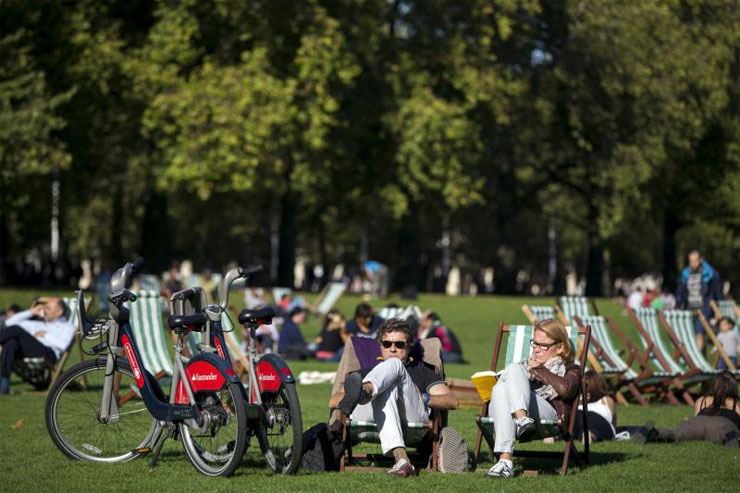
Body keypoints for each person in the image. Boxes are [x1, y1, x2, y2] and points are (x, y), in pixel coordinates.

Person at [331, 318, 458, 477]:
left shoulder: (423, 372)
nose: (392, 349)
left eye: (399, 344)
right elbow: (334, 401)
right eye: (387, 344)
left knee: (394, 366)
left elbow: (452, 402)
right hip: (368, 415)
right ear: (380, 346)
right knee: (387, 384)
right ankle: (402, 461)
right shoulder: (365, 372)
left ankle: (367, 390)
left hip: (412, 418)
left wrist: (424, 398)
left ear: (409, 346)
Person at [485, 318, 580, 479]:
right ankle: (521, 420)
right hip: (508, 413)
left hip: (548, 413)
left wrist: (539, 370)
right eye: (534, 343)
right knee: (506, 380)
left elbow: (566, 389)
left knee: (506, 381)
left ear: (560, 347)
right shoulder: (523, 366)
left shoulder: (571, 369)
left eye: (543, 345)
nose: (536, 349)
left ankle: (506, 461)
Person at [632, 371, 739, 446]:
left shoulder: (702, 400)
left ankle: (654, 433)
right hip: (723, 424)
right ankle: (730, 437)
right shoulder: (736, 403)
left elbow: (697, 415)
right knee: (724, 434)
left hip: (698, 422)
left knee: (675, 434)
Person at [0, 297, 75, 394]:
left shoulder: (68, 327)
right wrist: (31, 312)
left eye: (48, 308)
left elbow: (64, 345)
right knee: (11, 343)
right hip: (31, 352)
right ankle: (4, 385)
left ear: (59, 312)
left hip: (49, 354)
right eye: (45, 308)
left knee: (18, 330)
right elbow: (9, 323)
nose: (45, 311)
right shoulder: (38, 324)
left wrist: (46, 335)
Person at [676, 250, 723, 353]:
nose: (693, 264)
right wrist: (678, 305)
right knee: (692, 334)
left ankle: (696, 358)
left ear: (700, 260)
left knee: (700, 333)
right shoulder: (686, 274)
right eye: (691, 261)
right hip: (690, 308)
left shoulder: (709, 274)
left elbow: (717, 291)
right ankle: (701, 356)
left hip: (704, 308)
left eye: (695, 261)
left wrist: (717, 308)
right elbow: (681, 292)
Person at [574, 371, 617, 443]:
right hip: (597, 421)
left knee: (577, 427)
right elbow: (613, 424)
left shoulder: (605, 400)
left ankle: (589, 435)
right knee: (592, 429)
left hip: (589, 417)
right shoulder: (606, 400)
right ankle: (590, 436)